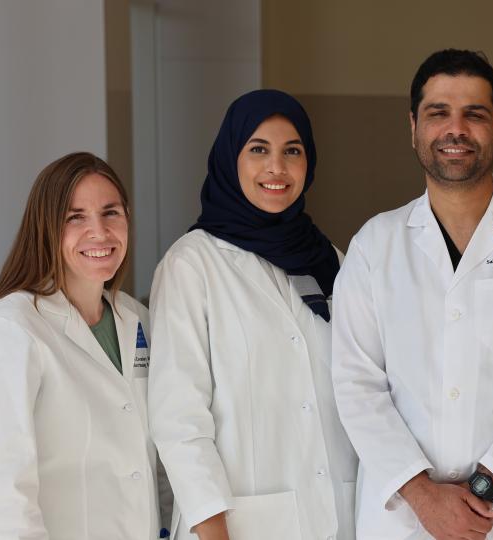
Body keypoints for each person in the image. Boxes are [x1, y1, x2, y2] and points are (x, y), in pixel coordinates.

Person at [332, 49, 493, 539]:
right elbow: (356, 384)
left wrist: (485, 487)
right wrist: (424, 496)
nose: (455, 129)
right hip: (407, 518)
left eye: (475, 114)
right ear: (413, 126)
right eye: (438, 113)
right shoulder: (375, 244)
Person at [148, 90, 357, 539]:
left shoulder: (331, 260)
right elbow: (178, 418)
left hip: (339, 516)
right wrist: (212, 527)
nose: (276, 168)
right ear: (230, 158)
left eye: (292, 151)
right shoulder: (192, 265)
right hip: (237, 525)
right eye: (258, 149)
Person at [0, 152, 170, 538]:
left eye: (111, 213)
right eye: (75, 217)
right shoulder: (9, 329)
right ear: (45, 228)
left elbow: (157, 456)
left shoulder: (137, 319)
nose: (100, 232)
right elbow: (3, 490)